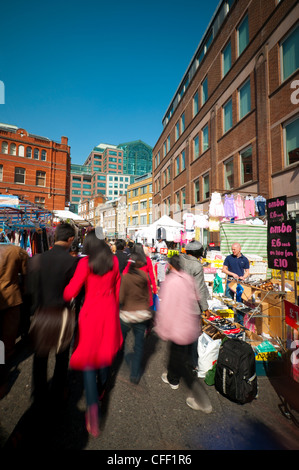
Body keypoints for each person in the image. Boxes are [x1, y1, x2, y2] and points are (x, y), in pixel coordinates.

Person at [63, 230, 123, 437]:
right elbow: (117, 291)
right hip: (109, 312)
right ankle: (102, 388)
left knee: (89, 360)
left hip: (90, 314)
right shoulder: (114, 262)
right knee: (105, 353)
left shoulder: (84, 263)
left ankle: (93, 412)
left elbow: (70, 292)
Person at [155, 255, 212, 413]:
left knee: (179, 360)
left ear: (170, 266)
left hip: (177, 328)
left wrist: (163, 329)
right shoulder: (187, 278)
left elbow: (166, 307)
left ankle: (201, 400)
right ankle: (171, 377)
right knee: (179, 357)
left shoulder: (171, 282)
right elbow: (196, 296)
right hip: (189, 326)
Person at [28, 222, 77, 407]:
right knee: (61, 357)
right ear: (70, 239)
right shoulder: (72, 262)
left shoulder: (37, 259)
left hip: (41, 314)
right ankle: (57, 393)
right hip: (62, 315)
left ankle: (39, 396)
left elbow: (31, 290)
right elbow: (74, 292)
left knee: (40, 358)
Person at [0, 242, 28, 398]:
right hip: (11, 299)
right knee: (7, 340)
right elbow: (25, 275)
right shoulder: (17, 251)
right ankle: (2, 378)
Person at [119, 252, 152, 384]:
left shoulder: (125, 278)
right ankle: (135, 374)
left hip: (127, 314)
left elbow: (121, 298)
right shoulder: (145, 276)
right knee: (138, 346)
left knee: (122, 341)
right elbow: (147, 295)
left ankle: (124, 360)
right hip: (142, 314)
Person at [179, 240, 210, 371]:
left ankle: (180, 359)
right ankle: (193, 362)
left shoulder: (180, 260)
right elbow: (199, 289)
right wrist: (205, 307)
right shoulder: (196, 266)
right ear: (199, 253)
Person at [123, 243, 158, 308]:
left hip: (133, 285)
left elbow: (125, 272)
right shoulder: (147, 260)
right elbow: (151, 275)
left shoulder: (131, 260)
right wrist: (154, 287)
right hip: (145, 284)